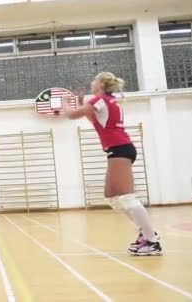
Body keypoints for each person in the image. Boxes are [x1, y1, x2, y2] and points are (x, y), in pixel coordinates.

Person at [62, 72, 161, 256]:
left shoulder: (99, 99)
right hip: (119, 148)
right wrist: (83, 104)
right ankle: (146, 232)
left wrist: (66, 103)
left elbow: (71, 115)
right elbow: (94, 120)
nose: (92, 83)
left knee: (126, 197)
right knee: (112, 197)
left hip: (120, 148)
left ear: (100, 83)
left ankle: (151, 240)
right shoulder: (106, 100)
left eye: (94, 80)